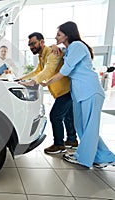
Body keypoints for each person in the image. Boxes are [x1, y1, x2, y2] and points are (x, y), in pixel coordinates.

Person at [41, 21, 115, 168]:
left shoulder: (77, 46)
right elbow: (57, 52)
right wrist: (55, 46)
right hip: (81, 93)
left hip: (90, 91)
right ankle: (103, 157)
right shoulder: (70, 48)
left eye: (59, 35)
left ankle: (84, 158)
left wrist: (46, 82)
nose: (56, 37)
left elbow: (65, 70)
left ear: (68, 35)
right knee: (82, 127)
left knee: (89, 128)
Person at [18, 32, 78, 154]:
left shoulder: (52, 52)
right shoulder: (42, 56)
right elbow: (38, 70)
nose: (31, 47)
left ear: (42, 42)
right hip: (63, 91)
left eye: (33, 43)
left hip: (66, 91)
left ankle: (59, 145)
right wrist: (20, 79)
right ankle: (72, 140)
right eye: (29, 45)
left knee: (55, 116)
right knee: (68, 117)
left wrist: (33, 82)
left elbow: (48, 70)